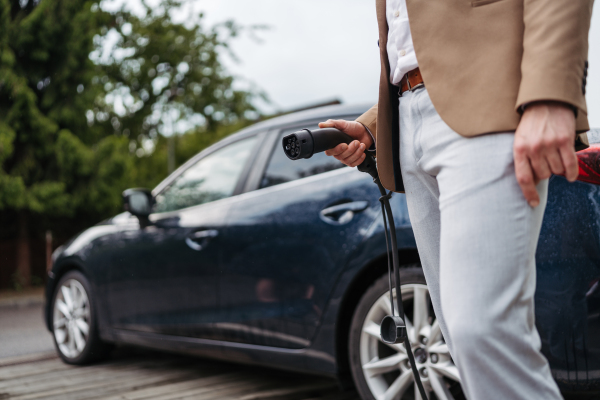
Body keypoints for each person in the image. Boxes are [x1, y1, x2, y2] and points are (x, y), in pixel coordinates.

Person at [320, 0, 594, 399]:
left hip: (492, 102)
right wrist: (376, 124)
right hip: (409, 114)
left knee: (483, 330)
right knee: (458, 336)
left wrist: (551, 95)